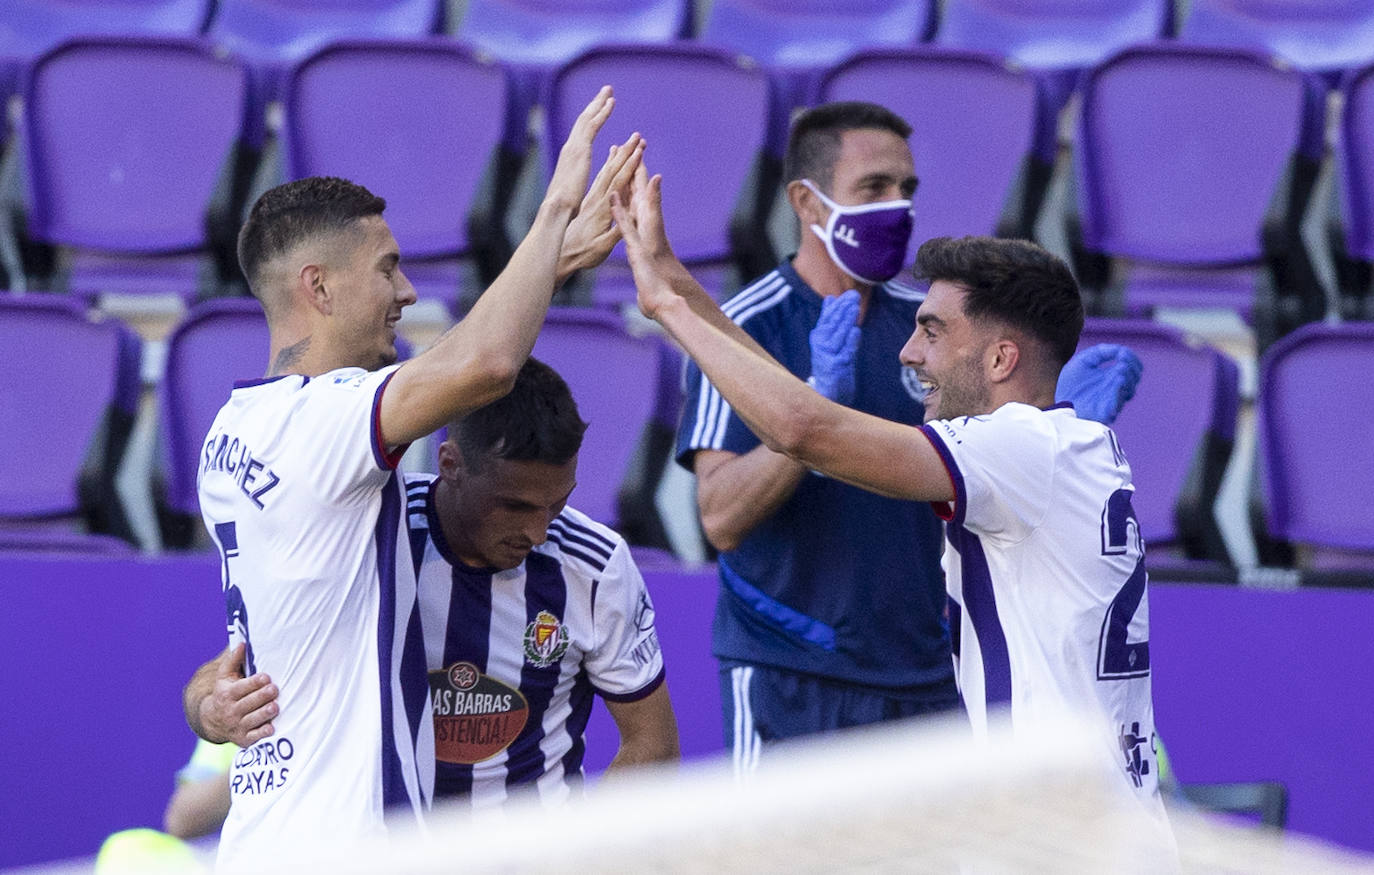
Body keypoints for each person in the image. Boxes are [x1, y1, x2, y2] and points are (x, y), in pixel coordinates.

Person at [611, 173, 1171, 836]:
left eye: (932, 332)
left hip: (1065, 836)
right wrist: (672, 277)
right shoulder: (1054, 445)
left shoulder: (1020, 446)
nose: (909, 353)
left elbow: (805, 430)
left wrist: (668, 309)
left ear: (1000, 357)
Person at [181, 87, 638, 869]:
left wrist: (204, 707)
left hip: (267, 838)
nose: (408, 292)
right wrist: (553, 211)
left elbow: (247, 650)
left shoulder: (235, 431)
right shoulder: (324, 423)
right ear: (318, 287)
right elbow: (485, 364)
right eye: (388, 269)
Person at [673, 101, 1141, 769]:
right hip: (795, 672)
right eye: (874, 188)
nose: (897, 206)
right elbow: (719, 516)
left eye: (907, 189)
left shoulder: (934, 328)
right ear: (807, 202)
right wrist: (809, 411)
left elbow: (998, 468)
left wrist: (1055, 422)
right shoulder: (746, 327)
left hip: (929, 674)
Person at [184, 359, 678, 829]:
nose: (537, 530)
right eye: (515, 505)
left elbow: (652, 743)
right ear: (450, 464)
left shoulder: (594, 565)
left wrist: (583, 854)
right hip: (389, 853)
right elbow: (228, 670)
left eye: (558, 503)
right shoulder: (369, 537)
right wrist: (212, 710)